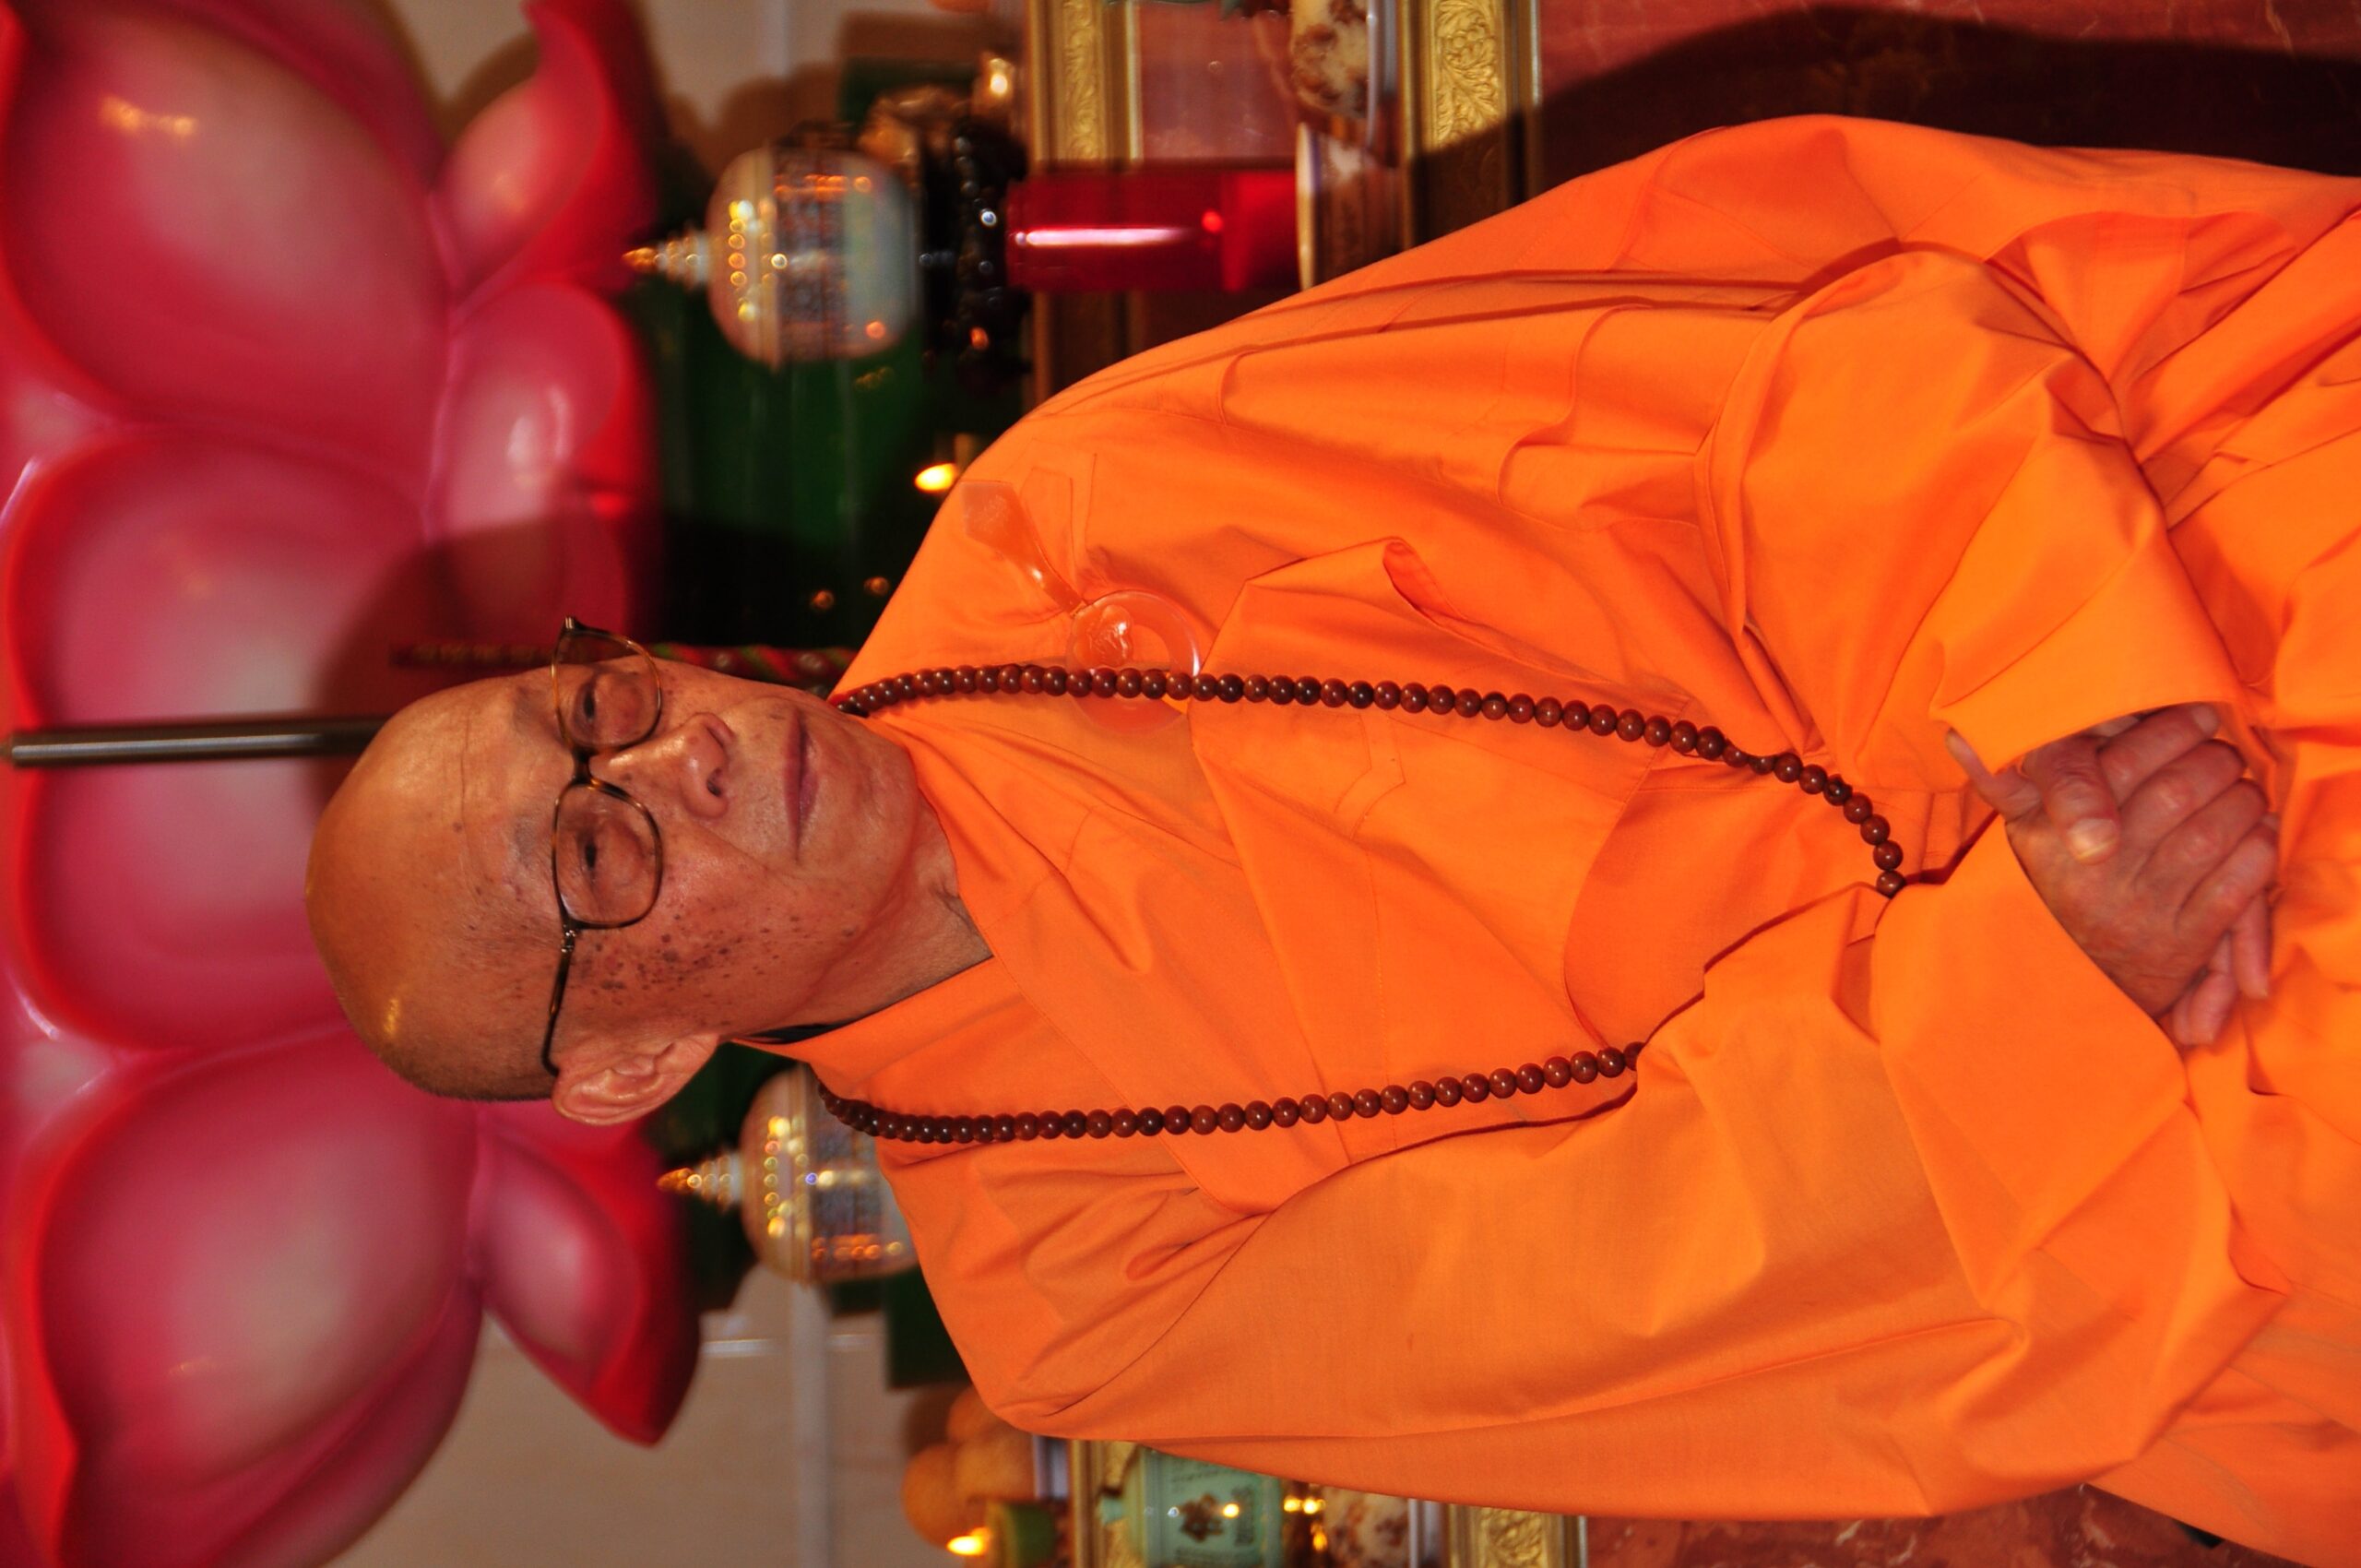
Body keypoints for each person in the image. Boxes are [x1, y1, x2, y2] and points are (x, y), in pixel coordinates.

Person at [306, 116, 2361, 1562]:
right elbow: (1661, 1293)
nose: (682, 754)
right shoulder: (1078, 1291)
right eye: (602, 858)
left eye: (597, 705)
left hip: (2134, 587)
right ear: (625, 1064)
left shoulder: (1077, 512)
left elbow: (1766, 395)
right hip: (2102, 1156)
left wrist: (2068, 693)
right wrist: (2051, 964)